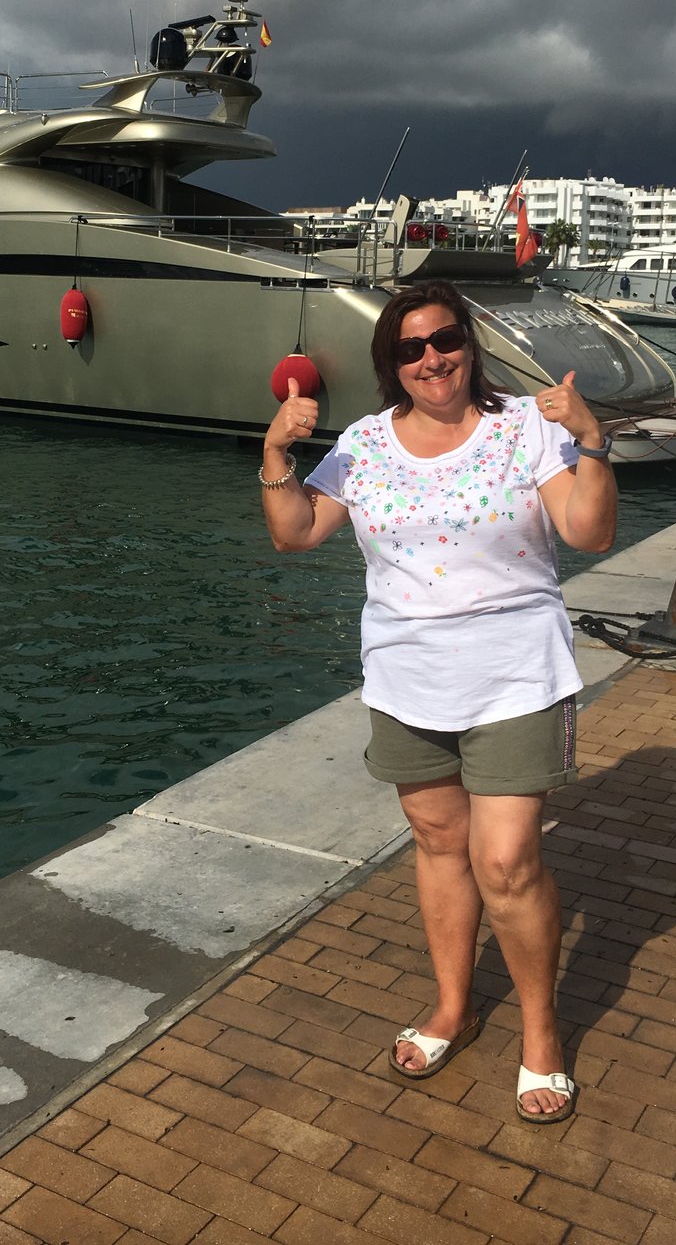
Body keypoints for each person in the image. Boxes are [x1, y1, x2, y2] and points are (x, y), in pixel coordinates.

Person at [259, 281, 617, 1123]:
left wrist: (592, 441)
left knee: (508, 863)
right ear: (391, 363)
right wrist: (276, 452)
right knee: (438, 843)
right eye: (410, 348)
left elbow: (589, 532)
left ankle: (541, 1034)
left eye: (445, 339)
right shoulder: (364, 443)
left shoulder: (524, 426)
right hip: (406, 679)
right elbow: (295, 531)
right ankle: (454, 1005)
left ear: (468, 343)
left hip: (515, 676)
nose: (432, 359)